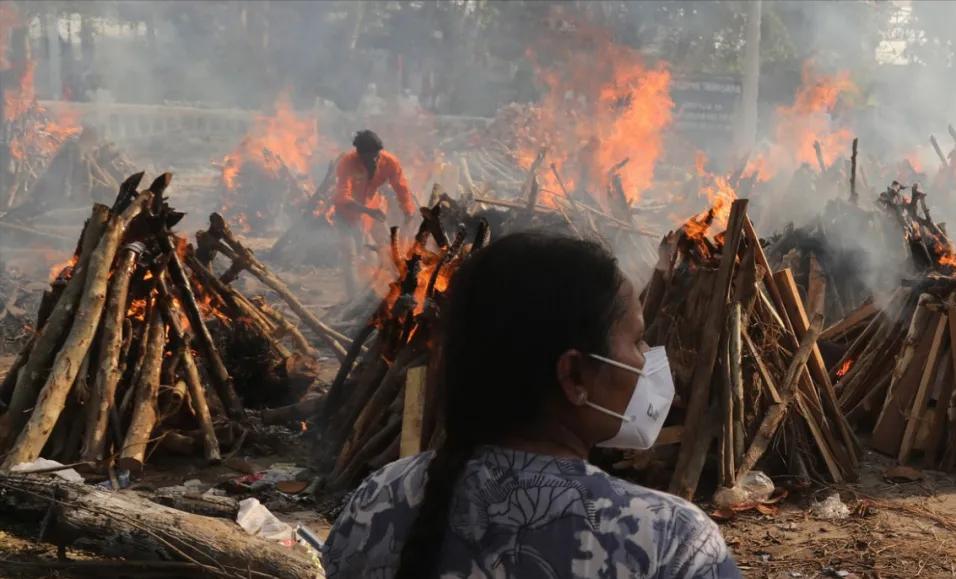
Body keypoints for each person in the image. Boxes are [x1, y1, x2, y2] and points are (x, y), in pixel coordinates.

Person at [322, 233, 742, 578]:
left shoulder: (379, 501)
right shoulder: (668, 541)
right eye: (636, 341)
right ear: (574, 376)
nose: (645, 358)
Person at [334, 129, 417, 294]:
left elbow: (401, 187)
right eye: (368, 158)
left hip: (374, 211)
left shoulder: (390, 162)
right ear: (359, 154)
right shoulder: (347, 162)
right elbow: (342, 196)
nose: (373, 161)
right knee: (350, 256)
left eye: (376, 156)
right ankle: (353, 298)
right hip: (346, 215)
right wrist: (367, 210)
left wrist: (408, 211)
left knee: (388, 248)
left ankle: (397, 289)